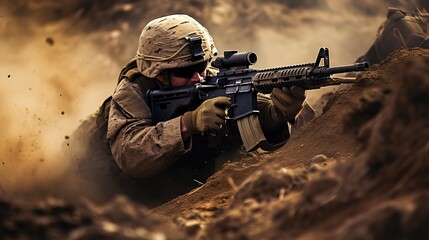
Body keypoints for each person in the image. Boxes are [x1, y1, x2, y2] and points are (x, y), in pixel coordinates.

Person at [68, 14, 305, 207]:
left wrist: (276, 115)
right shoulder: (132, 91)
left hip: (175, 185)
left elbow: (248, 118)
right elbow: (130, 155)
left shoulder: (207, 79)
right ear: (159, 74)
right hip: (98, 174)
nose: (198, 77)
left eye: (202, 66)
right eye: (185, 72)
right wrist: (187, 124)